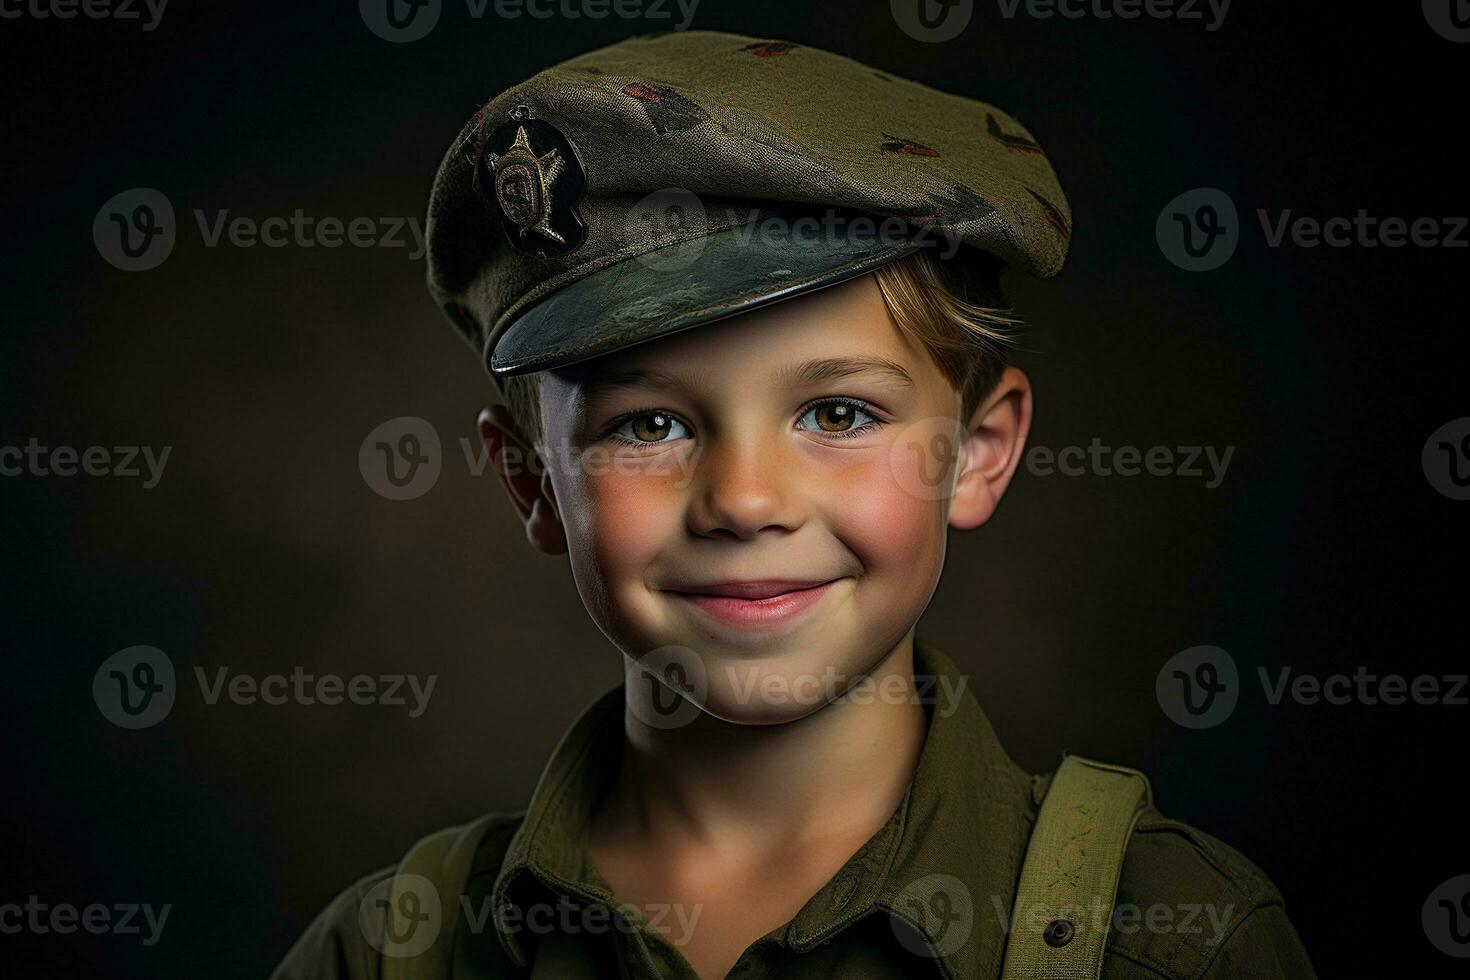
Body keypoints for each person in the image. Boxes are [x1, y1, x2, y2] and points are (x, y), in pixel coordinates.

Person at [271, 29, 1316, 979]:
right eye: (648, 425)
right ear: (532, 482)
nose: (744, 499)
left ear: (980, 451)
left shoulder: (1172, 939)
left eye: (840, 412)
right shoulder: (386, 951)